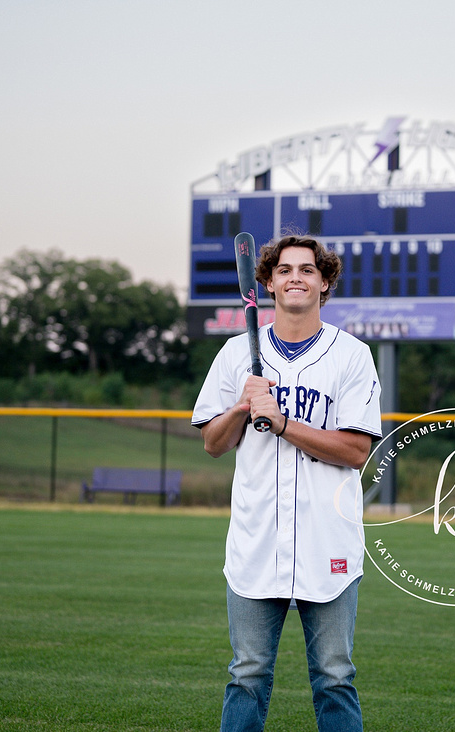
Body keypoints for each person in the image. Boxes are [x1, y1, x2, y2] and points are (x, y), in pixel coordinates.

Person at [192, 234, 382, 732]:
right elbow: (214, 443)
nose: (295, 276)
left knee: (335, 676)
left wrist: (281, 423)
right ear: (268, 284)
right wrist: (240, 407)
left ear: (324, 283)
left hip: (329, 540)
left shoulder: (353, 356)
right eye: (283, 270)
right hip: (257, 541)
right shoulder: (236, 355)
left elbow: (356, 451)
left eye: (307, 269)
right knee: (247, 675)